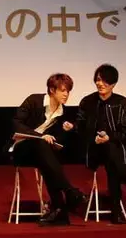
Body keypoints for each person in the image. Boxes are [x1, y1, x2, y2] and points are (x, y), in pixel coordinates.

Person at [9, 73, 87, 226]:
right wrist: (39, 136)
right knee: (42, 145)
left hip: (41, 153)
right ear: (52, 90)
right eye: (63, 90)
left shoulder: (62, 112)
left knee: (47, 157)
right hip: (20, 148)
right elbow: (16, 123)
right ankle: (69, 191)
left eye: (68, 91)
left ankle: (59, 210)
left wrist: (66, 131)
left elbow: (57, 140)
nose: (66, 94)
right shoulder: (34, 100)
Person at [74, 64, 126, 224]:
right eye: (98, 80)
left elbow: (125, 131)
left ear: (113, 84)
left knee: (112, 158)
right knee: (112, 155)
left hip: (115, 148)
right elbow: (80, 127)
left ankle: (117, 212)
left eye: (105, 81)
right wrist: (90, 136)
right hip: (93, 149)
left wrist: (109, 137)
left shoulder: (122, 102)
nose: (100, 84)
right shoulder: (87, 101)